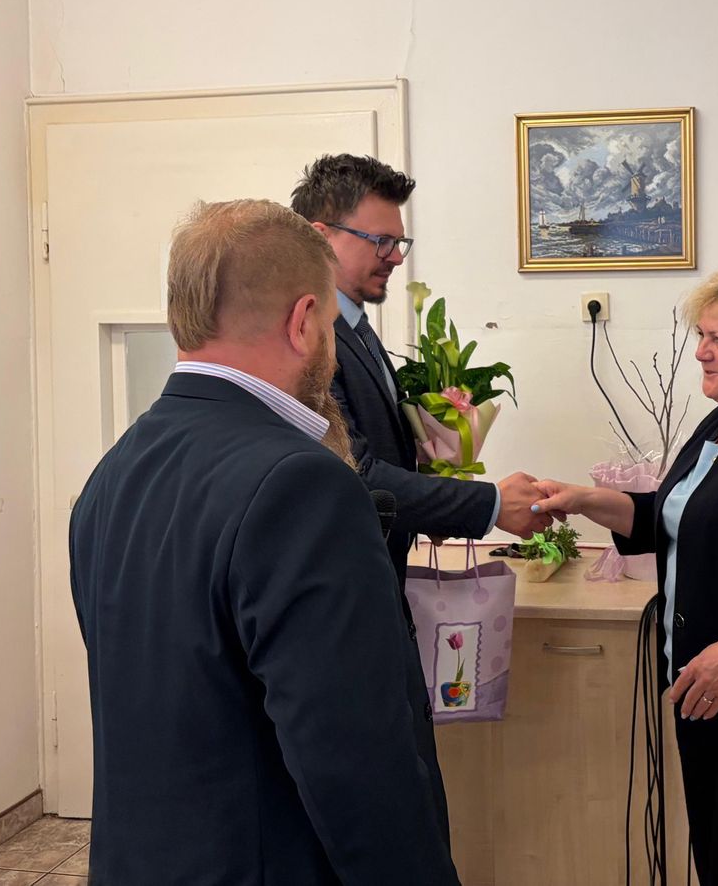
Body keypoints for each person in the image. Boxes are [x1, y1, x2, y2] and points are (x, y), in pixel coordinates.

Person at [70, 200, 459, 885]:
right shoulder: (303, 485)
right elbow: (357, 765)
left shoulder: (113, 473)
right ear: (304, 321)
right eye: (331, 324)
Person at [533, 264, 718, 886]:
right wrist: (583, 499)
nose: (701, 352)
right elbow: (669, 517)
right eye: (700, 336)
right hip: (701, 692)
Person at [292, 154, 550, 568]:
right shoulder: (310, 341)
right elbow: (353, 473)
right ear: (320, 238)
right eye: (381, 241)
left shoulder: (355, 329)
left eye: (399, 242)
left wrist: (435, 497)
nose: (396, 257)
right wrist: (492, 504)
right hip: (345, 575)